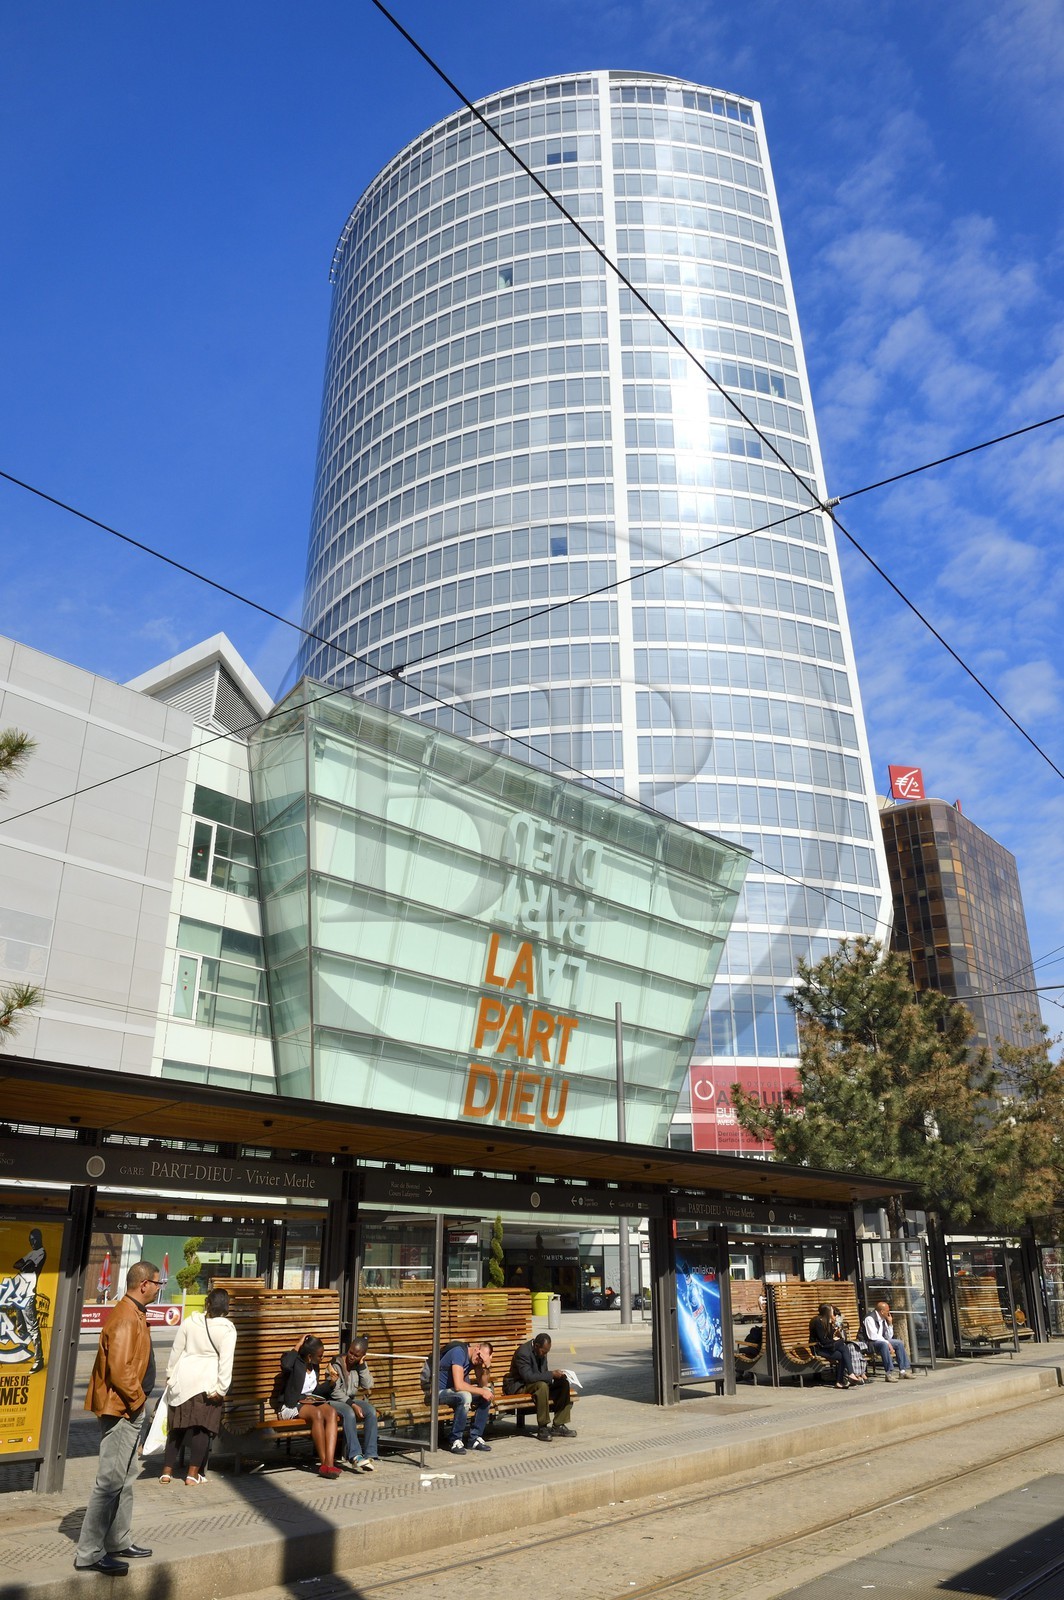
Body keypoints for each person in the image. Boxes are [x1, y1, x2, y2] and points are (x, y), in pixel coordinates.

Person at [75, 1260, 161, 1576]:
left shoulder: (134, 1313)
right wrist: (138, 1403)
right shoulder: (126, 1318)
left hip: (127, 1408)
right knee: (109, 1482)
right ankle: (89, 1553)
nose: (159, 1288)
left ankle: (118, 1540)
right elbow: (120, 1370)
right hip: (122, 1409)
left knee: (124, 1479)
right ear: (144, 1285)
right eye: (157, 1282)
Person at [160, 1287, 237, 1485]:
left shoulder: (190, 1321)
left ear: (207, 1303)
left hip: (183, 1379)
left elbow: (176, 1350)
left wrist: (170, 1375)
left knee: (176, 1426)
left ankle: (166, 1471)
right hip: (207, 1381)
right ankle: (192, 1475)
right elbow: (226, 1361)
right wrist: (222, 1388)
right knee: (201, 1429)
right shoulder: (227, 1329)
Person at [273, 1335, 342, 1478]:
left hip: (309, 1401)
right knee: (316, 1414)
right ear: (310, 1356)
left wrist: (329, 1383)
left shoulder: (314, 1366)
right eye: (320, 1356)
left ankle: (329, 1463)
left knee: (331, 1413)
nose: (322, 1358)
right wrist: (298, 1344)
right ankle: (324, 1465)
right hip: (290, 1405)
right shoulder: (293, 1361)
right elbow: (285, 1364)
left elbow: (314, 1391)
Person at [503, 1332, 575, 1442]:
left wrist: (557, 1377)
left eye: (547, 1352)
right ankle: (543, 1427)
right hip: (520, 1385)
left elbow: (543, 1372)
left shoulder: (541, 1351)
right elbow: (528, 1377)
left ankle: (559, 1425)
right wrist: (551, 1374)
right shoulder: (523, 1353)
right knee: (542, 1386)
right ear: (536, 1346)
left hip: (535, 1383)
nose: (545, 1354)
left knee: (563, 1383)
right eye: (544, 1351)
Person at [325, 1336, 379, 1471]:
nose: (352, 1357)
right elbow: (334, 1392)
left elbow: (368, 1385)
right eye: (351, 1352)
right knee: (349, 1412)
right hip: (334, 1401)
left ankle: (370, 1454)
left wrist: (362, 1365)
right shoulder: (335, 1363)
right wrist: (352, 1404)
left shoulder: (359, 1365)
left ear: (362, 1356)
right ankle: (355, 1456)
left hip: (349, 1400)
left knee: (371, 1411)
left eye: (356, 1355)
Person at [437, 1337, 494, 1453]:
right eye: (479, 1356)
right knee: (466, 1396)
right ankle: (455, 1440)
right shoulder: (459, 1352)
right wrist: (482, 1391)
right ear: (476, 1348)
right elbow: (458, 1385)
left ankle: (475, 1438)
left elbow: (483, 1384)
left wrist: (486, 1366)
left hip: (455, 1393)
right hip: (441, 1392)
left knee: (487, 1394)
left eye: (482, 1359)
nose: (479, 1360)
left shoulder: (476, 1360)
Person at [11, 1227, 46, 1374]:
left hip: (28, 1294)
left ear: (40, 1239)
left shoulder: (41, 1253)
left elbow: (26, 1267)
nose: (33, 1242)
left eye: (35, 1239)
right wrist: (25, 1265)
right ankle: (23, 1350)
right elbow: (17, 1264)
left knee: (32, 1327)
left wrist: (26, 1265)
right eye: (30, 1240)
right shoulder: (32, 1253)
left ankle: (39, 1359)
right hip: (20, 1293)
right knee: (20, 1326)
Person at [809, 1301, 857, 1389]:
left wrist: (835, 1329)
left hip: (827, 1347)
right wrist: (836, 1340)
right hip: (819, 1348)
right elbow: (823, 1341)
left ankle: (841, 1380)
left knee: (843, 1353)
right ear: (827, 1312)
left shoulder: (827, 1321)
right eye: (831, 1311)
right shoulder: (817, 1322)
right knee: (843, 1345)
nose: (833, 1313)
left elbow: (829, 1338)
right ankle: (849, 1374)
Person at [863, 1300, 914, 1381]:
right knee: (884, 1344)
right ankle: (888, 1373)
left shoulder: (883, 1319)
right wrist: (887, 1342)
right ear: (882, 1311)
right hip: (869, 1343)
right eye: (887, 1311)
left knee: (899, 1343)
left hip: (881, 1341)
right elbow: (872, 1336)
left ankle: (902, 1371)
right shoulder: (869, 1318)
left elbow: (888, 1336)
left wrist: (890, 1323)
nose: (888, 1313)